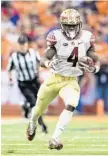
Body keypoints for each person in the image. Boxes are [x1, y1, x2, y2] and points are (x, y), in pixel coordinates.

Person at [26, 9, 100, 150]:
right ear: (62, 24)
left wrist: (95, 68)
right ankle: (33, 122)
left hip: (71, 80)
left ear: (79, 24)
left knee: (71, 104)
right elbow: (44, 58)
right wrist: (48, 63)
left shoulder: (87, 37)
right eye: (68, 25)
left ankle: (55, 138)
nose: (71, 28)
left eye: (73, 25)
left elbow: (95, 58)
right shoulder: (56, 37)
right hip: (54, 78)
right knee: (38, 110)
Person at [7, 34, 48, 134]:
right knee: (34, 103)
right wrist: (10, 78)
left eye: (23, 44)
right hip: (23, 84)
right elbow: (9, 69)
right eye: (20, 44)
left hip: (34, 82)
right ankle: (42, 125)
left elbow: (41, 63)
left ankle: (26, 106)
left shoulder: (33, 53)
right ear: (18, 45)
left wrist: (41, 69)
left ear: (27, 44)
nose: (22, 46)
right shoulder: (14, 57)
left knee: (39, 104)